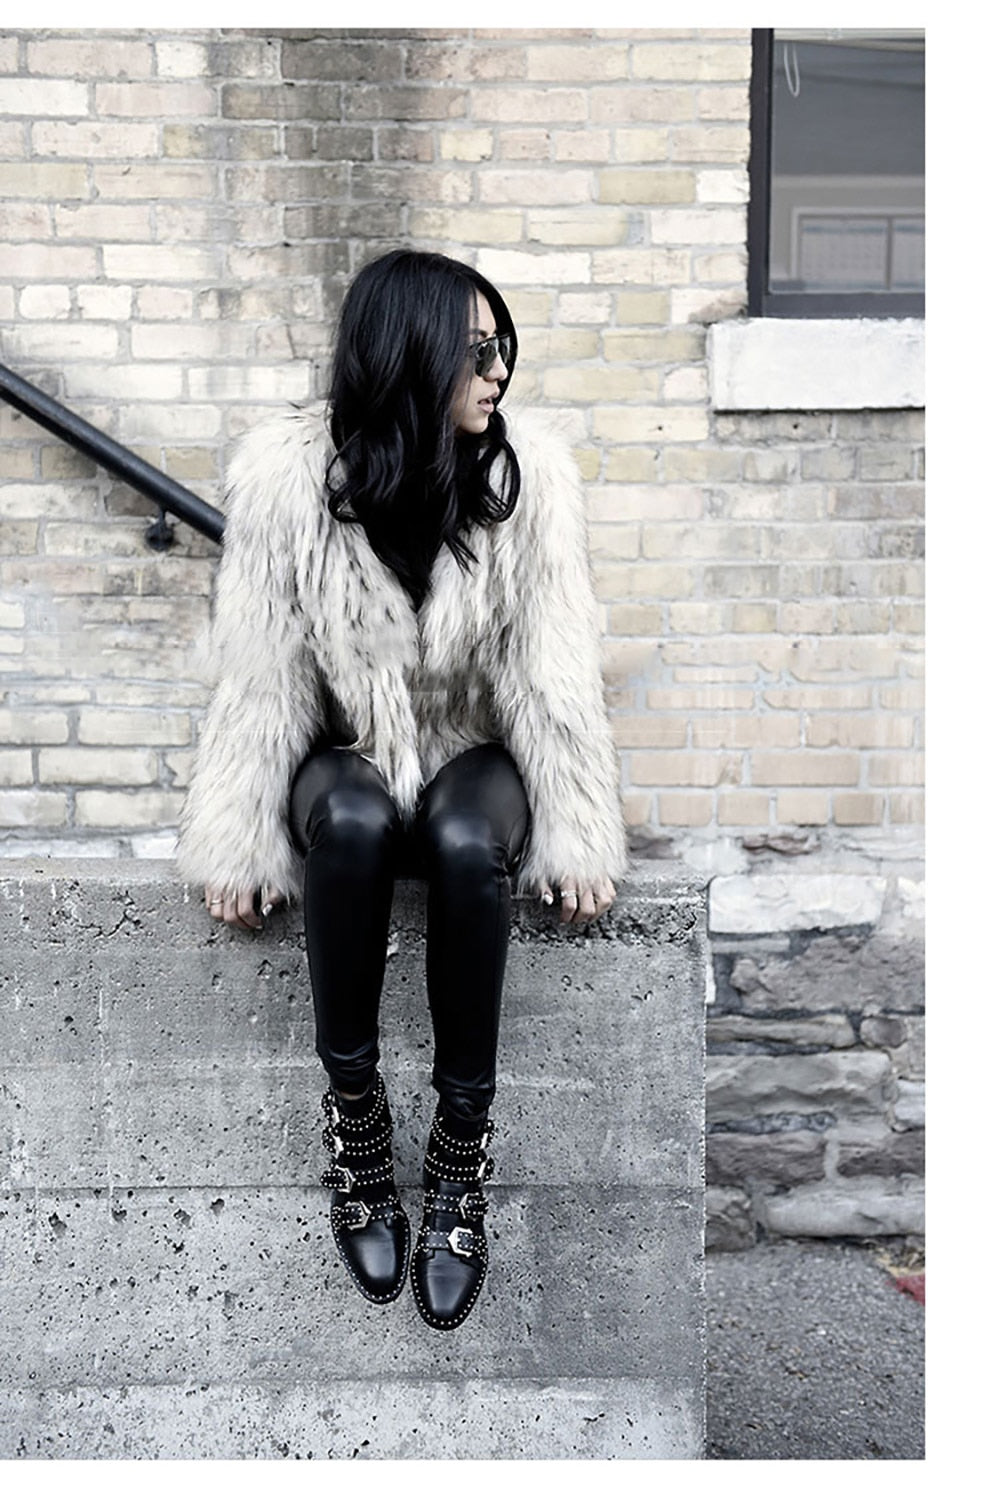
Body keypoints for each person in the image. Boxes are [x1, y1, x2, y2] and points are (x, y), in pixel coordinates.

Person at [176, 248, 627, 1331]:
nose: (498, 370)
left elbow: (553, 672)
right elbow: (260, 677)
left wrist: (577, 830)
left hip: (471, 745)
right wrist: (237, 840)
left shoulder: (526, 477)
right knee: (352, 819)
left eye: (502, 346)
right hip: (351, 746)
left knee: (470, 841)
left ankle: (461, 1155)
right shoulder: (288, 480)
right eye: (476, 350)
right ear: (411, 354)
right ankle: (359, 1130)